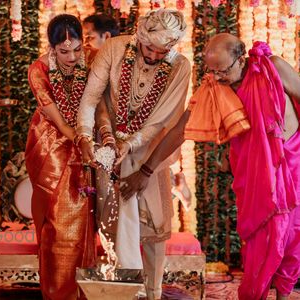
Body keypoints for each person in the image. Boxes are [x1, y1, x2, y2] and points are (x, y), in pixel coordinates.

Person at [124, 33, 300, 300]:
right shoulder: (215, 88)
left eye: (223, 70)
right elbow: (180, 130)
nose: (217, 77)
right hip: (255, 177)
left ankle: (284, 296)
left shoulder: (272, 67)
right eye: (212, 71)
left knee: (292, 239)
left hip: (293, 162)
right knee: (261, 243)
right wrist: (147, 169)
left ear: (240, 58)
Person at [77, 9, 191, 300]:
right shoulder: (115, 49)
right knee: (113, 227)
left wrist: (135, 151)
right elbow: (92, 97)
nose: (153, 55)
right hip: (109, 148)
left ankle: (153, 293)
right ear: (140, 36)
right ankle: (119, 293)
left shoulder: (180, 66)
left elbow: (163, 120)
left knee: (154, 228)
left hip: (152, 153)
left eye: (161, 50)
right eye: (149, 47)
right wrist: (86, 136)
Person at [25, 14, 96, 300]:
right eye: (63, 51)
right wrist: (80, 137)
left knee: (84, 217)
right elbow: (57, 118)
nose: (71, 56)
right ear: (51, 47)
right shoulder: (39, 69)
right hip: (51, 143)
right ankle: (57, 292)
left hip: (85, 138)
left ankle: (82, 291)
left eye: (76, 49)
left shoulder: (93, 58)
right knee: (57, 220)